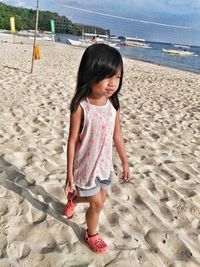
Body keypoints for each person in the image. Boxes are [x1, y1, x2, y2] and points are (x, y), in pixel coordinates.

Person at [64, 43, 130, 253]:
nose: (113, 83)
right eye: (106, 76)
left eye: (117, 77)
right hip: (86, 167)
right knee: (98, 205)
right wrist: (69, 175)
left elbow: (117, 136)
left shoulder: (113, 105)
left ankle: (75, 199)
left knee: (101, 199)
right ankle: (91, 234)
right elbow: (72, 141)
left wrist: (125, 163)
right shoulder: (81, 106)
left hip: (104, 166)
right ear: (91, 74)